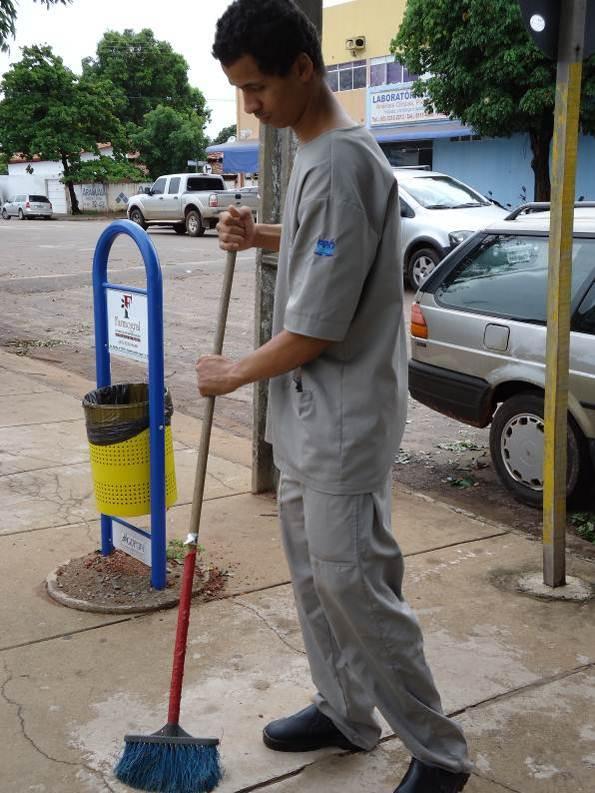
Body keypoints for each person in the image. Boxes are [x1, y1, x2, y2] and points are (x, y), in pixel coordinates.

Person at [197, 2, 472, 791]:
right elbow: (331, 241)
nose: (251, 106)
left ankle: (437, 751)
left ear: (302, 69)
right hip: (308, 417)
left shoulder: (344, 158)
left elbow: (316, 328)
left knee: (355, 582)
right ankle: (347, 710)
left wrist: (232, 372)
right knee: (315, 576)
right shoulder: (317, 156)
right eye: (241, 91)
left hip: (345, 420)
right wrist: (263, 237)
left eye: (256, 88)